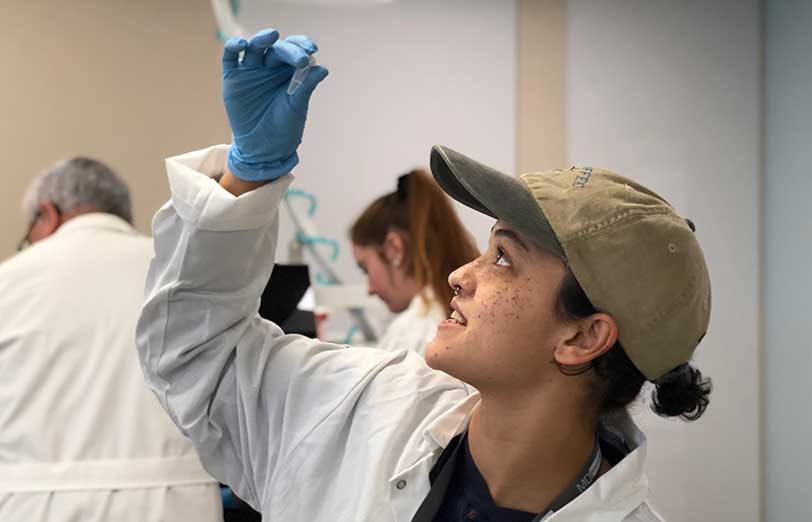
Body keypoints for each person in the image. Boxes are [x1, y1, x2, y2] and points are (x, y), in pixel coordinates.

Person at [137, 29, 712, 521]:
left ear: (583, 337)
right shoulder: (364, 408)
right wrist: (246, 180)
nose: (461, 275)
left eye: (504, 259)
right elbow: (198, 357)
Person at [0, 158, 221, 521]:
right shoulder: (180, 269)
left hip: (32, 502)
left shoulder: (9, 282)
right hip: (176, 502)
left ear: (47, 213)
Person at [350, 169, 479, 354]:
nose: (370, 289)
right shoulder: (461, 315)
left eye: (365, 269)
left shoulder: (412, 335)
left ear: (394, 248)